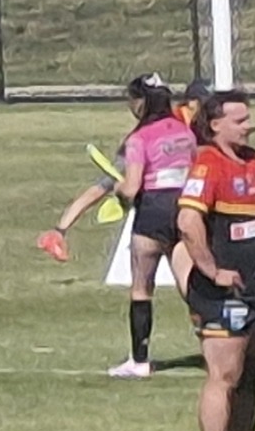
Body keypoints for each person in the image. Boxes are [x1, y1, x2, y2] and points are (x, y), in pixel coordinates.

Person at [37, 74, 198, 378]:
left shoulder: (139, 139)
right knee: (192, 288)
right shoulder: (185, 132)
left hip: (152, 215)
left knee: (141, 289)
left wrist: (121, 191)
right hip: (185, 211)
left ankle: (139, 361)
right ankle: (224, 346)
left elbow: (130, 187)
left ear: (140, 103)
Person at [174, 88, 255, 431]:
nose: (248, 126)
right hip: (221, 295)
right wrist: (212, 270)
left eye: (248, 118)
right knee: (224, 376)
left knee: (253, 375)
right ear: (215, 124)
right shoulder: (207, 165)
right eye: (240, 120)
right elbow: (188, 222)